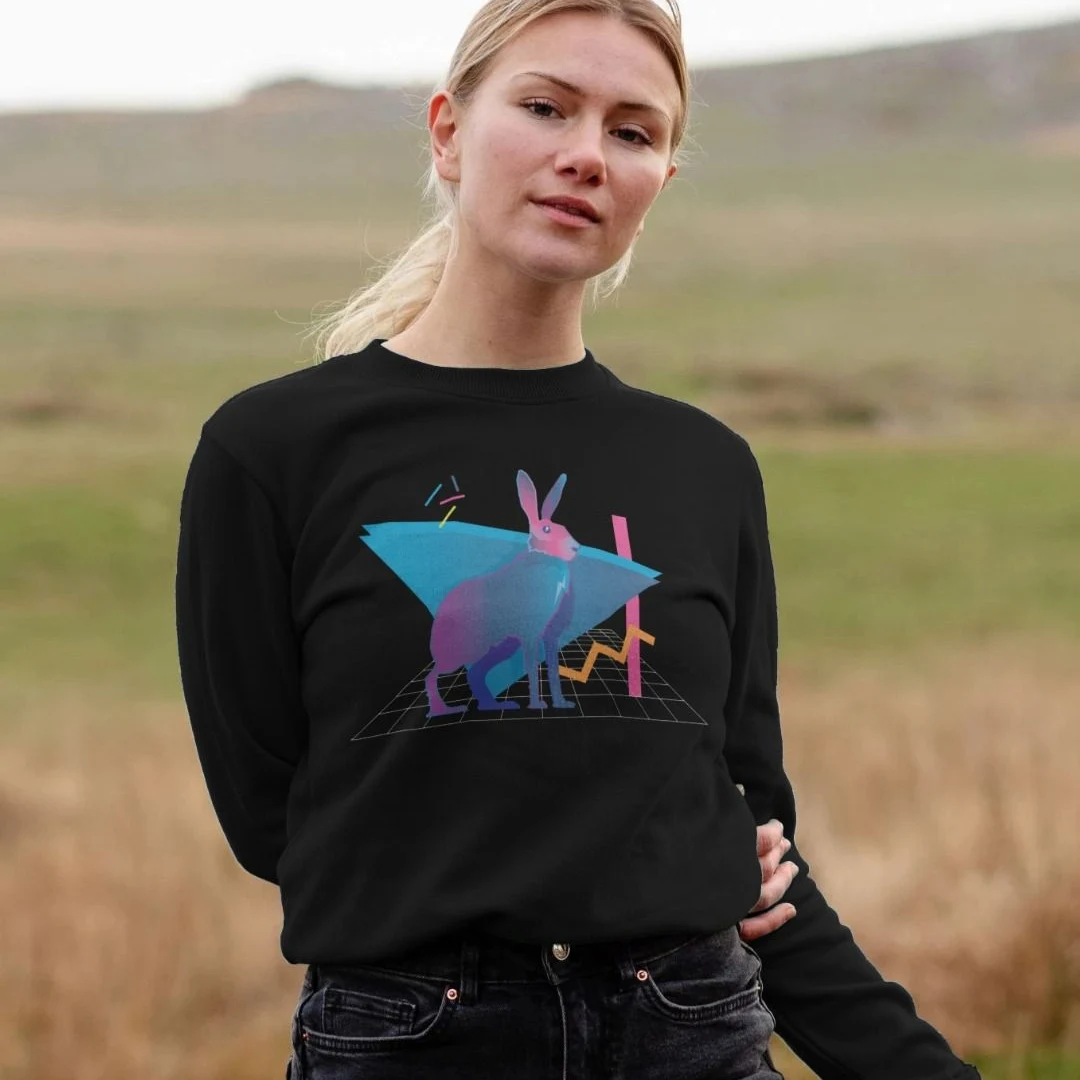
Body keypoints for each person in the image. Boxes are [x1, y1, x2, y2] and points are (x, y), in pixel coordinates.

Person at [174, 2, 982, 1078]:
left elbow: (748, 840)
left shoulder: (703, 465)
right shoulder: (274, 450)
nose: (586, 156)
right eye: (547, 108)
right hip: (414, 1042)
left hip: (690, 1028)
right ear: (448, 132)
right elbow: (275, 819)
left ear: (660, 181)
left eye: (632, 131)